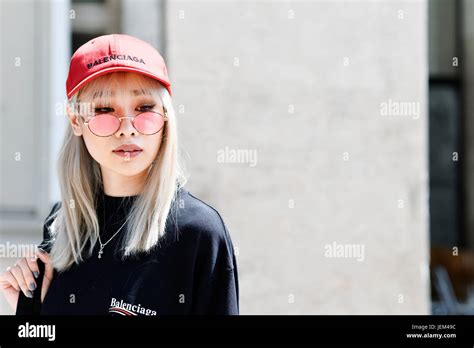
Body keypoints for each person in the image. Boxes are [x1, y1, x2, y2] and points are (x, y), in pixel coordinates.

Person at [0, 34, 239, 315]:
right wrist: (29, 314)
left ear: (165, 117)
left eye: (144, 108)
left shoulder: (198, 233)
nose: (127, 128)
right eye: (104, 109)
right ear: (76, 120)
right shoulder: (63, 225)